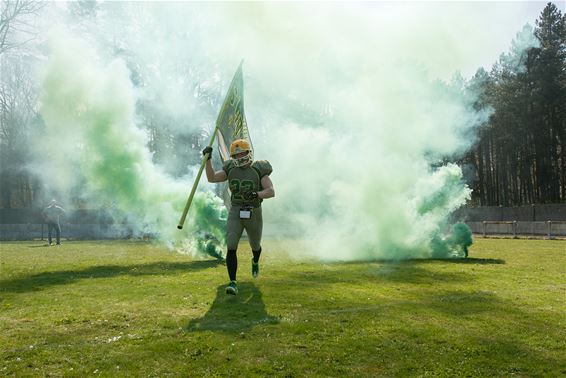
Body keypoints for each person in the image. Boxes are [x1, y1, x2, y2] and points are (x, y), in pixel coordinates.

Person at [203, 139, 275, 295]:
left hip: (253, 211)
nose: (239, 157)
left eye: (242, 153)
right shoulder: (230, 168)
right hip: (236, 210)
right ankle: (233, 282)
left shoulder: (258, 169)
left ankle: (255, 261)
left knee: (255, 245)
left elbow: (271, 191)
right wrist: (207, 160)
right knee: (231, 245)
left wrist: (257, 194)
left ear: (248, 153)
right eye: (236, 155)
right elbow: (212, 178)